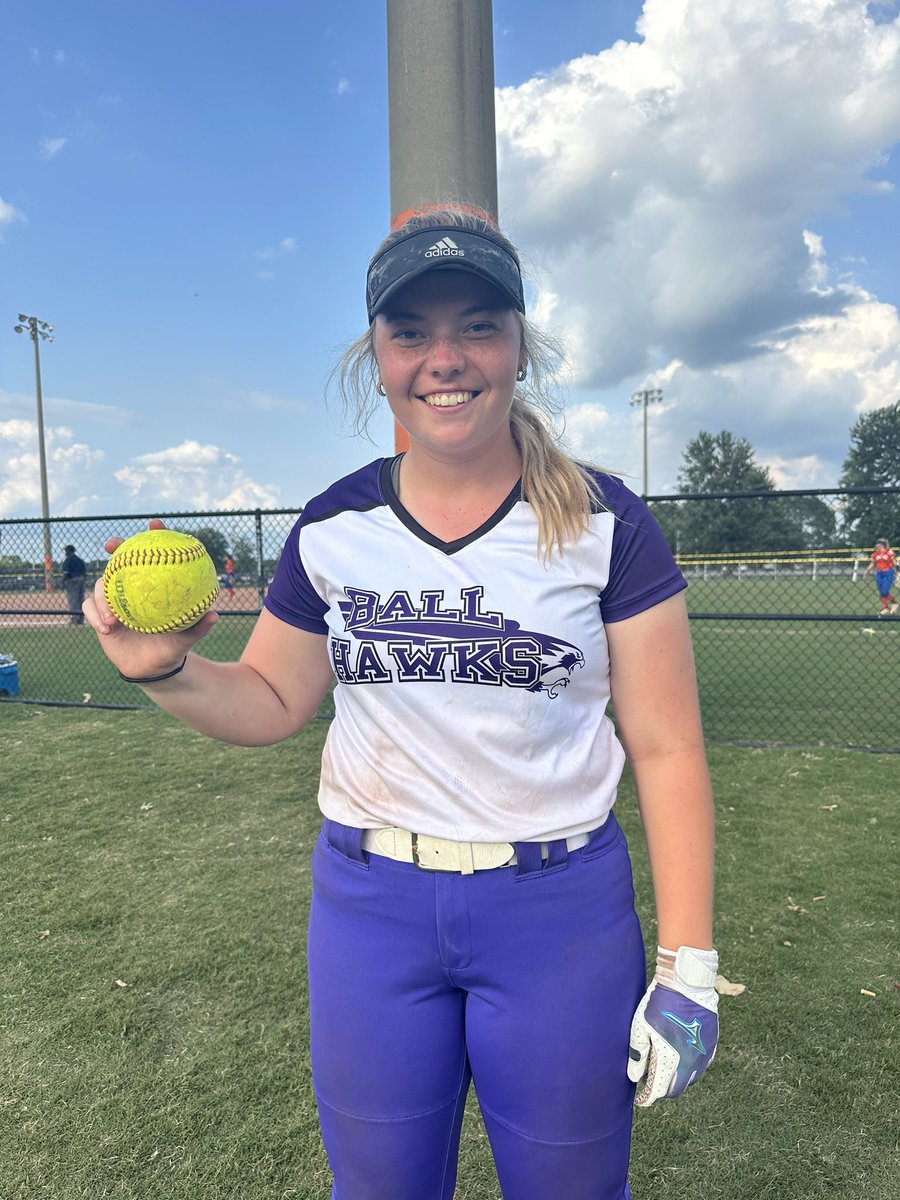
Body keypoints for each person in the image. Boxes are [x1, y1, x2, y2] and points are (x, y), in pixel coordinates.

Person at [84, 205, 718, 1200]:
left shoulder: (606, 522)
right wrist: (161, 670)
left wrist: (688, 965)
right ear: (375, 357)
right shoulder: (335, 526)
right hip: (370, 911)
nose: (445, 357)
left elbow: (668, 748)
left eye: (477, 325)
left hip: (556, 915)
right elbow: (271, 699)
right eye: (411, 331)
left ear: (519, 347)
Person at [862, 538, 897, 616]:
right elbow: (872, 564)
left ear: (882, 545)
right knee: (881, 592)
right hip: (879, 574)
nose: (876, 545)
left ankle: (894, 603)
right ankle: (885, 608)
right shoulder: (875, 554)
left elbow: (894, 562)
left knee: (885, 590)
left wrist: (898, 572)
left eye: (878, 544)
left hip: (888, 573)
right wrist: (866, 572)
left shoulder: (889, 552)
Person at [61, 544, 87, 625]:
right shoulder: (79, 560)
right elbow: (85, 572)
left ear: (69, 551)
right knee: (80, 599)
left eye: (66, 550)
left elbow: (66, 573)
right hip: (81, 579)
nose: (65, 552)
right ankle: (81, 619)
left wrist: (62, 583)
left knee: (73, 600)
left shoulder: (68, 560)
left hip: (72, 580)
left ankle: (74, 619)